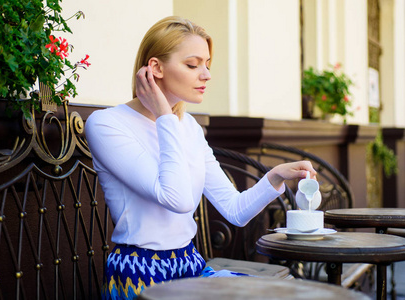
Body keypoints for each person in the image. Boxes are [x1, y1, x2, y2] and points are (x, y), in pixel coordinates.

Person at [85, 16, 317, 300]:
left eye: (207, 64)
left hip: (190, 267)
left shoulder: (188, 126)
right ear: (155, 68)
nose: (206, 74)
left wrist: (276, 176)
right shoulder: (107, 125)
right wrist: (164, 116)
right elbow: (177, 198)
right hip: (141, 274)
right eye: (193, 65)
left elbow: (235, 210)